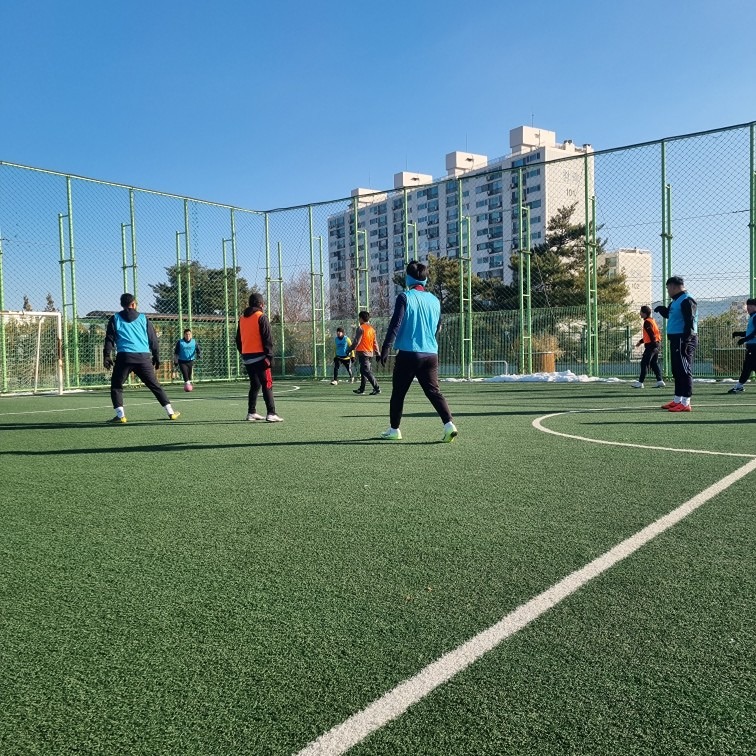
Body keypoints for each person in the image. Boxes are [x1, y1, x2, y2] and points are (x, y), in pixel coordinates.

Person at [378, 260, 458, 442]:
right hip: (431, 354)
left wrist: (385, 347)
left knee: (398, 393)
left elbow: (395, 324)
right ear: (425, 279)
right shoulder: (435, 300)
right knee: (434, 391)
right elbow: (438, 327)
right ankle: (449, 425)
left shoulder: (404, 297)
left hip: (408, 354)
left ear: (408, 277)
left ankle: (394, 430)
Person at [103, 293, 179, 423]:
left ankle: (121, 416)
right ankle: (170, 412)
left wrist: (106, 355)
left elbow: (109, 339)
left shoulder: (115, 318)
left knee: (116, 386)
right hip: (143, 357)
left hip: (124, 357)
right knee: (155, 385)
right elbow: (153, 339)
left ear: (122, 305)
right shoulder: (144, 318)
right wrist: (156, 356)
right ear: (133, 304)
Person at [235, 293, 283, 422]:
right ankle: (271, 413)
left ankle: (251, 412)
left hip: (247, 357)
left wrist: (244, 352)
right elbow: (267, 338)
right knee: (267, 384)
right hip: (261, 357)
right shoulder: (261, 317)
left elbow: (238, 339)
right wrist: (269, 356)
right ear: (261, 304)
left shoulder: (242, 319)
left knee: (255, 384)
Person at [654, 276, 697, 412]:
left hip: (683, 339)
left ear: (673, 286)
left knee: (684, 370)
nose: (668, 291)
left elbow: (690, 322)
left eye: (668, 288)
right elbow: (672, 315)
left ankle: (686, 402)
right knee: (677, 370)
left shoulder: (687, 300)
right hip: (675, 339)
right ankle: (677, 399)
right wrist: (663, 310)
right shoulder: (675, 301)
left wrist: (686, 340)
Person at [630, 305, 665, 389]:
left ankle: (640, 382)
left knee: (644, 363)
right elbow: (650, 335)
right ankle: (660, 381)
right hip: (656, 343)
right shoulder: (652, 320)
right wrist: (641, 342)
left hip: (652, 345)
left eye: (641, 312)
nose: (640, 313)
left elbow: (651, 335)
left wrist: (653, 346)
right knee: (653, 363)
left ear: (645, 313)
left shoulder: (647, 322)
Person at [727, 297, 756, 393]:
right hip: (752, 346)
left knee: (747, 367)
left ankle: (739, 386)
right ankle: (739, 386)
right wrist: (739, 333)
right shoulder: (752, 317)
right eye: (747, 306)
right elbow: (750, 332)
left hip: (754, 347)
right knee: (750, 366)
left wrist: (744, 339)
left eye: (751, 306)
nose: (748, 308)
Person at [351, 311, 381, 395]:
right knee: (363, 370)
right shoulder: (372, 329)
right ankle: (362, 389)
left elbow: (356, 341)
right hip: (370, 352)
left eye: (359, 318)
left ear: (361, 318)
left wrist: (350, 349)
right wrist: (378, 353)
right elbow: (375, 343)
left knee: (366, 371)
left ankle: (377, 388)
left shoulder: (361, 328)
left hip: (363, 353)